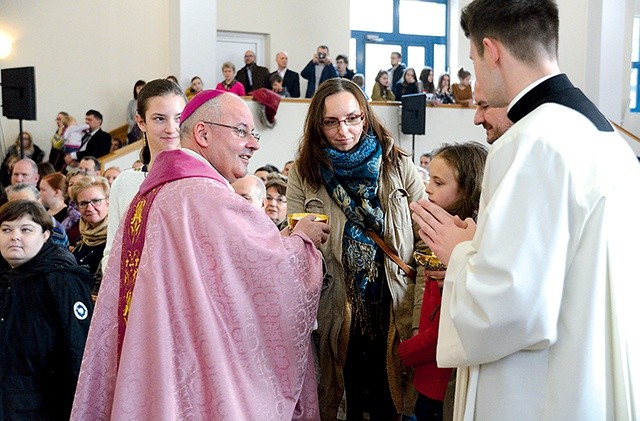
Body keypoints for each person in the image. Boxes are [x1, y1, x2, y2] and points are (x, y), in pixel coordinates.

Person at [410, 0, 640, 419]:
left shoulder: (530, 141)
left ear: (491, 51)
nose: (475, 78)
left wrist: (460, 252)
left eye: (472, 60)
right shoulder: (609, 141)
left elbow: (511, 307)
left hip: (542, 392)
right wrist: (483, 245)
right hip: (592, 377)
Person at [72, 89, 330, 419]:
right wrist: (302, 241)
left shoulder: (151, 195)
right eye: (242, 131)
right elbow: (272, 273)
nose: (254, 143)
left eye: (253, 133)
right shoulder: (205, 196)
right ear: (203, 133)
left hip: (153, 366)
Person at [287, 78, 428, 420]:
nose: (344, 131)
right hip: (333, 310)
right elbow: (291, 247)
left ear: (365, 116)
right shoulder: (305, 172)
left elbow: (425, 238)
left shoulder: (397, 164)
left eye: (352, 118)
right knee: (340, 402)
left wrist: (419, 309)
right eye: (331, 122)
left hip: (393, 306)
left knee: (391, 403)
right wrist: (299, 235)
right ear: (317, 125)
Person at [398, 142, 488, 421]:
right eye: (429, 179)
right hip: (429, 368)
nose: (427, 188)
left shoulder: (467, 236)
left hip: (443, 365)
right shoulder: (433, 232)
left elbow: (441, 322)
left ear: (467, 187)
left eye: (438, 182)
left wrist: (405, 351)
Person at [0, 200, 93, 420]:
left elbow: (77, 352)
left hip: (42, 406)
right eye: (6, 229)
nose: (15, 236)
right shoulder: (6, 276)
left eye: (26, 230)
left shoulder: (62, 280)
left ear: (45, 235)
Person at [101, 79, 185, 271]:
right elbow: (112, 255)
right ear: (141, 122)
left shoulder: (204, 181)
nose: (171, 128)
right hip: (135, 293)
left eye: (178, 118)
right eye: (159, 119)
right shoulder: (125, 183)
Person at [70, 176, 110, 295]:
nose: (89, 208)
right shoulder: (82, 236)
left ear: (108, 202)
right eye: (83, 203)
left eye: (96, 201)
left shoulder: (117, 236)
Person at [5, 183, 70, 249]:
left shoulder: (53, 228)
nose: (21, 208)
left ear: (39, 201)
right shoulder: (5, 225)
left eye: (26, 203)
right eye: (14, 204)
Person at [40, 172, 82, 245]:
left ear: (57, 192)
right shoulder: (42, 212)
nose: (39, 193)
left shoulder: (71, 216)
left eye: (43, 190)